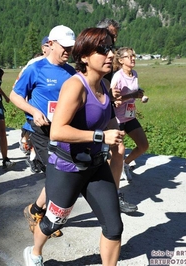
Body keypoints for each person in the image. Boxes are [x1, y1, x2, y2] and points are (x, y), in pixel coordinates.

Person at [23, 27, 124, 266]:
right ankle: (35, 252)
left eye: (110, 48)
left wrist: (116, 137)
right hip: (67, 168)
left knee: (114, 226)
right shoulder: (75, 86)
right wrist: (101, 137)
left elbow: (108, 120)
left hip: (95, 166)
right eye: (102, 49)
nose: (110, 55)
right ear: (85, 56)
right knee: (53, 223)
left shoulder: (105, 86)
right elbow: (58, 131)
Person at [10, 25, 76, 238]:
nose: (68, 51)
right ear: (51, 44)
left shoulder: (72, 72)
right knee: (57, 175)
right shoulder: (36, 69)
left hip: (64, 130)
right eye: (64, 47)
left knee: (63, 175)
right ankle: (45, 218)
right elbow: (15, 96)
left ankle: (35, 210)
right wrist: (34, 111)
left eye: (71, 47)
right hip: (41, 130)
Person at [96, 19, 138, 213]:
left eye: (115, 35)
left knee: (118, 148)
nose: (114, 39)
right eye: (112, 34)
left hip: (109, 108)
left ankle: (113, 195)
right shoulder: (93, 53)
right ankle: (43, 207)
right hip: (93, 106)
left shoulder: (111, 55)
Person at [110, 47, 149, 183]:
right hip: (117, 119)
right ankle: (115, 174)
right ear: (121, 60)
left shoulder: (135, 74)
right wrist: (131, 96)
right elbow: (113, 98)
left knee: (143, 145)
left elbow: (134, 91)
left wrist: (140, 95)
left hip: (130, 116)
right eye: (129, 56)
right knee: (119, 149)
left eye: (133, 56)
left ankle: (125, 164)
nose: (132, 58)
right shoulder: (118, 76)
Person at [14, 36, 51, 173]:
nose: (51, 48)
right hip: (34, 106)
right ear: (43, 48)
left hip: (53, 114)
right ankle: (32, 155)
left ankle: (35, 157)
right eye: (47, 45)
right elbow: (19, 83)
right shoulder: (35, 63)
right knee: (34, 131)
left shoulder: (62, 66)